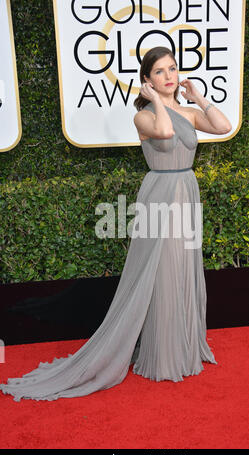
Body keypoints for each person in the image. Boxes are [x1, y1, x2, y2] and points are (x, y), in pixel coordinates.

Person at [0, 47, 231, 402]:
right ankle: (162, 355)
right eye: (159, 72)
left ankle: (183, 348)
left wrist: (198, 97)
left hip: (187, 190)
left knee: (183, 267)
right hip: (161, 191)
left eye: (172, 69)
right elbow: (166, 135)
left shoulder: (189, 110)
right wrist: (155, 102)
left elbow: (223, 126)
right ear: (147, 81)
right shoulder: (143, 118)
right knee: (162, 271)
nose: (169, 76)